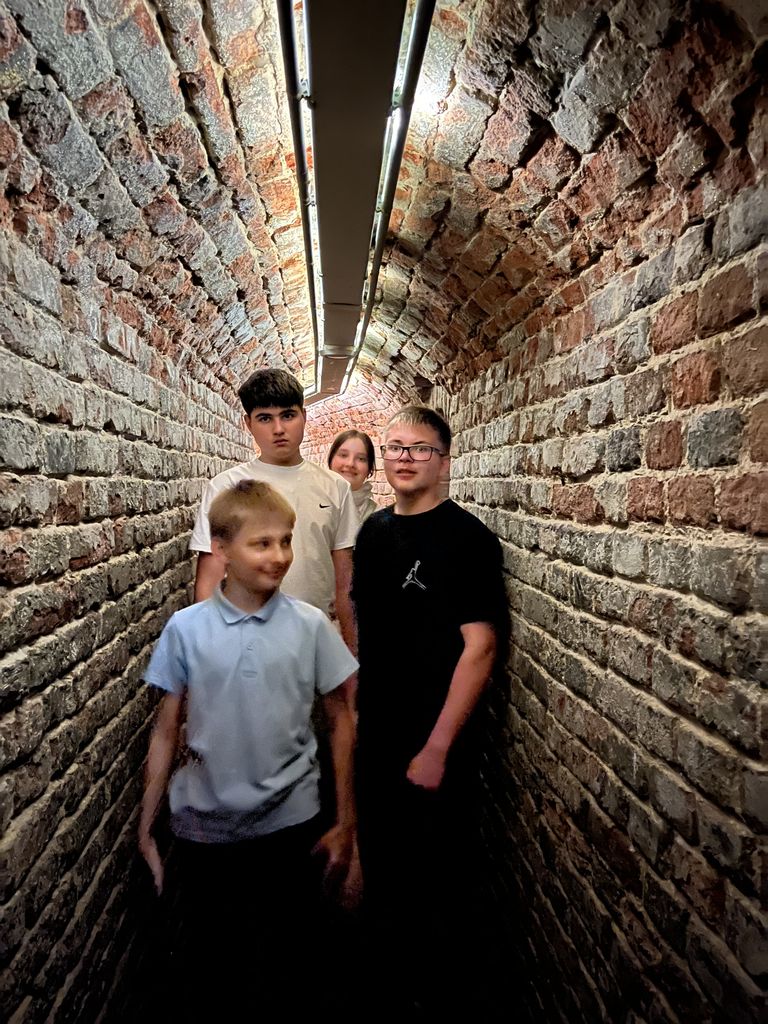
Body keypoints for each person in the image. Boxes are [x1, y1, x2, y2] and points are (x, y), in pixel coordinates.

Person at [138, 480, 358, 1019]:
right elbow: (166, 729)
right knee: (218, 969)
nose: (279, 556)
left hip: (290, 825)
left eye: (285, 541)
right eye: (262, 543)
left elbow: (341, 722)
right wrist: (146, 826)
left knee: (288, 967)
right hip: (204, 830)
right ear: (222, 550)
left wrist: (346, 821)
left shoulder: (310, 626)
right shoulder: (185, 630)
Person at [352, 405, 506, 1014]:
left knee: (433, 877)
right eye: (395, 446)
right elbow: (365, 625)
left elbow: (481, 647)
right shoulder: (373, 532)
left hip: (434, 735)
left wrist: (438, 747)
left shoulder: (468, 539)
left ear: (444, 460)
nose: (404, 458)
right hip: (379, 727)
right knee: (383, 864)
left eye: (420, 448)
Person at [190, 368, 358, 649]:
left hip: (315, 642)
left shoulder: (335, 487)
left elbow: (345, 584)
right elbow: (209, 582)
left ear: (304, 416)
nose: (278, 429)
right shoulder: (226, 487)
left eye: (288, 415)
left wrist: (352, 653)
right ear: (248, 423)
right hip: (244, 643)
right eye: (265, 418)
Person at [328, 428, 378, 526]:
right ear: (331, 460)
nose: (350, 464)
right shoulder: (310, 503)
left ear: (369, 469)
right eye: (343, 455)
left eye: (361, 459)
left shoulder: (378, 519)